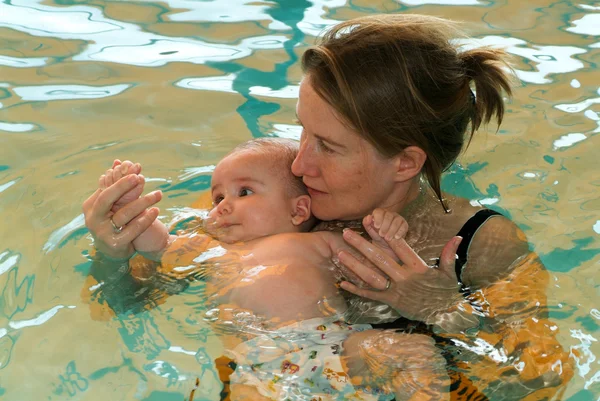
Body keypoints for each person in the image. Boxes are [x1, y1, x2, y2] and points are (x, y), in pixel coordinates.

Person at [82, 14, 573, 400]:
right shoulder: (270, 194)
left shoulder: (482, 244)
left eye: (328, 146)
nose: (301, 160)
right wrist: (113, 253)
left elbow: (540, 382)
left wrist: (447, 312)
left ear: (406, 162)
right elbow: (126, 304)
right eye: (302, 130)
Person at [90, 137, 448, 401]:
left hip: (336, 346)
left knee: (415, 353)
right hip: (260, 362)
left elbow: (378, 268)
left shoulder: (319, 243)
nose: (224, 206)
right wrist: (132, 212)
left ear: (298, 210)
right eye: (218, 198)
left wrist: (386, 232)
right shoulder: (211, 247)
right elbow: (160, 248)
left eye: (244, 192)